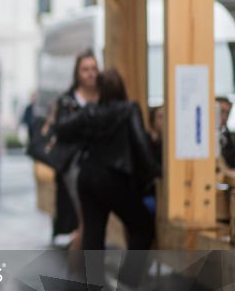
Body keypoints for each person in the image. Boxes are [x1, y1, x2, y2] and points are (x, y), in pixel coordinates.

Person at [56, 68, 158, 251]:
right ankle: (128, 278)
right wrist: (154, 171)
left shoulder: (89, 111)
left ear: (99, 89)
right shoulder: (129, 109)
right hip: (114, 178)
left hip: (87, 176)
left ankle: (92, 280)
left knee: (93, 234)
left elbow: (62, 129)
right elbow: (141, 145)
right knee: (143, 227)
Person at [51, 50, 99, 249]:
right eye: (85, 69)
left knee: (94, 220)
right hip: (76, 165)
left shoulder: (104, 97)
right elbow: (61, 128)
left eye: (94, 69)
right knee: (85, 219)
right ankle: (79, 269)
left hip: (101, 165)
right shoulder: (68, 100)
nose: (90, 74)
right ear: (77, 73)